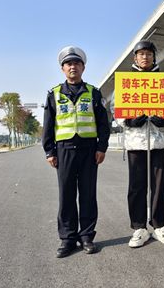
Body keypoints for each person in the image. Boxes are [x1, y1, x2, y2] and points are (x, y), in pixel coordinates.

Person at [42, 46, 110, 258]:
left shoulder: (93, 92)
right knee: (67, 195)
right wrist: (49, 152)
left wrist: (102, 147)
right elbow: (48, 125)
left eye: (77, 64)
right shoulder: (53, 94)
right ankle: (68, 239)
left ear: (83, 67)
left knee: (88, 194)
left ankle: (87, 236)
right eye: (69, 64)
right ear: (63, 69)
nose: (73, 67)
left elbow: (103, 123)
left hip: (89, 151)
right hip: (64, 151)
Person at [116, 41, 164, 248]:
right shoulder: (126, 82)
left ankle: (159, 225)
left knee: (159, 186)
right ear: (135, 58)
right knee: (136, 186)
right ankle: (139, 228)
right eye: (140, 54)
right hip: (136, 142)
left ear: (154, 57)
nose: (145, 57)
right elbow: (117, 111)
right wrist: (128, 121)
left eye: (149, 54)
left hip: (159, 141)